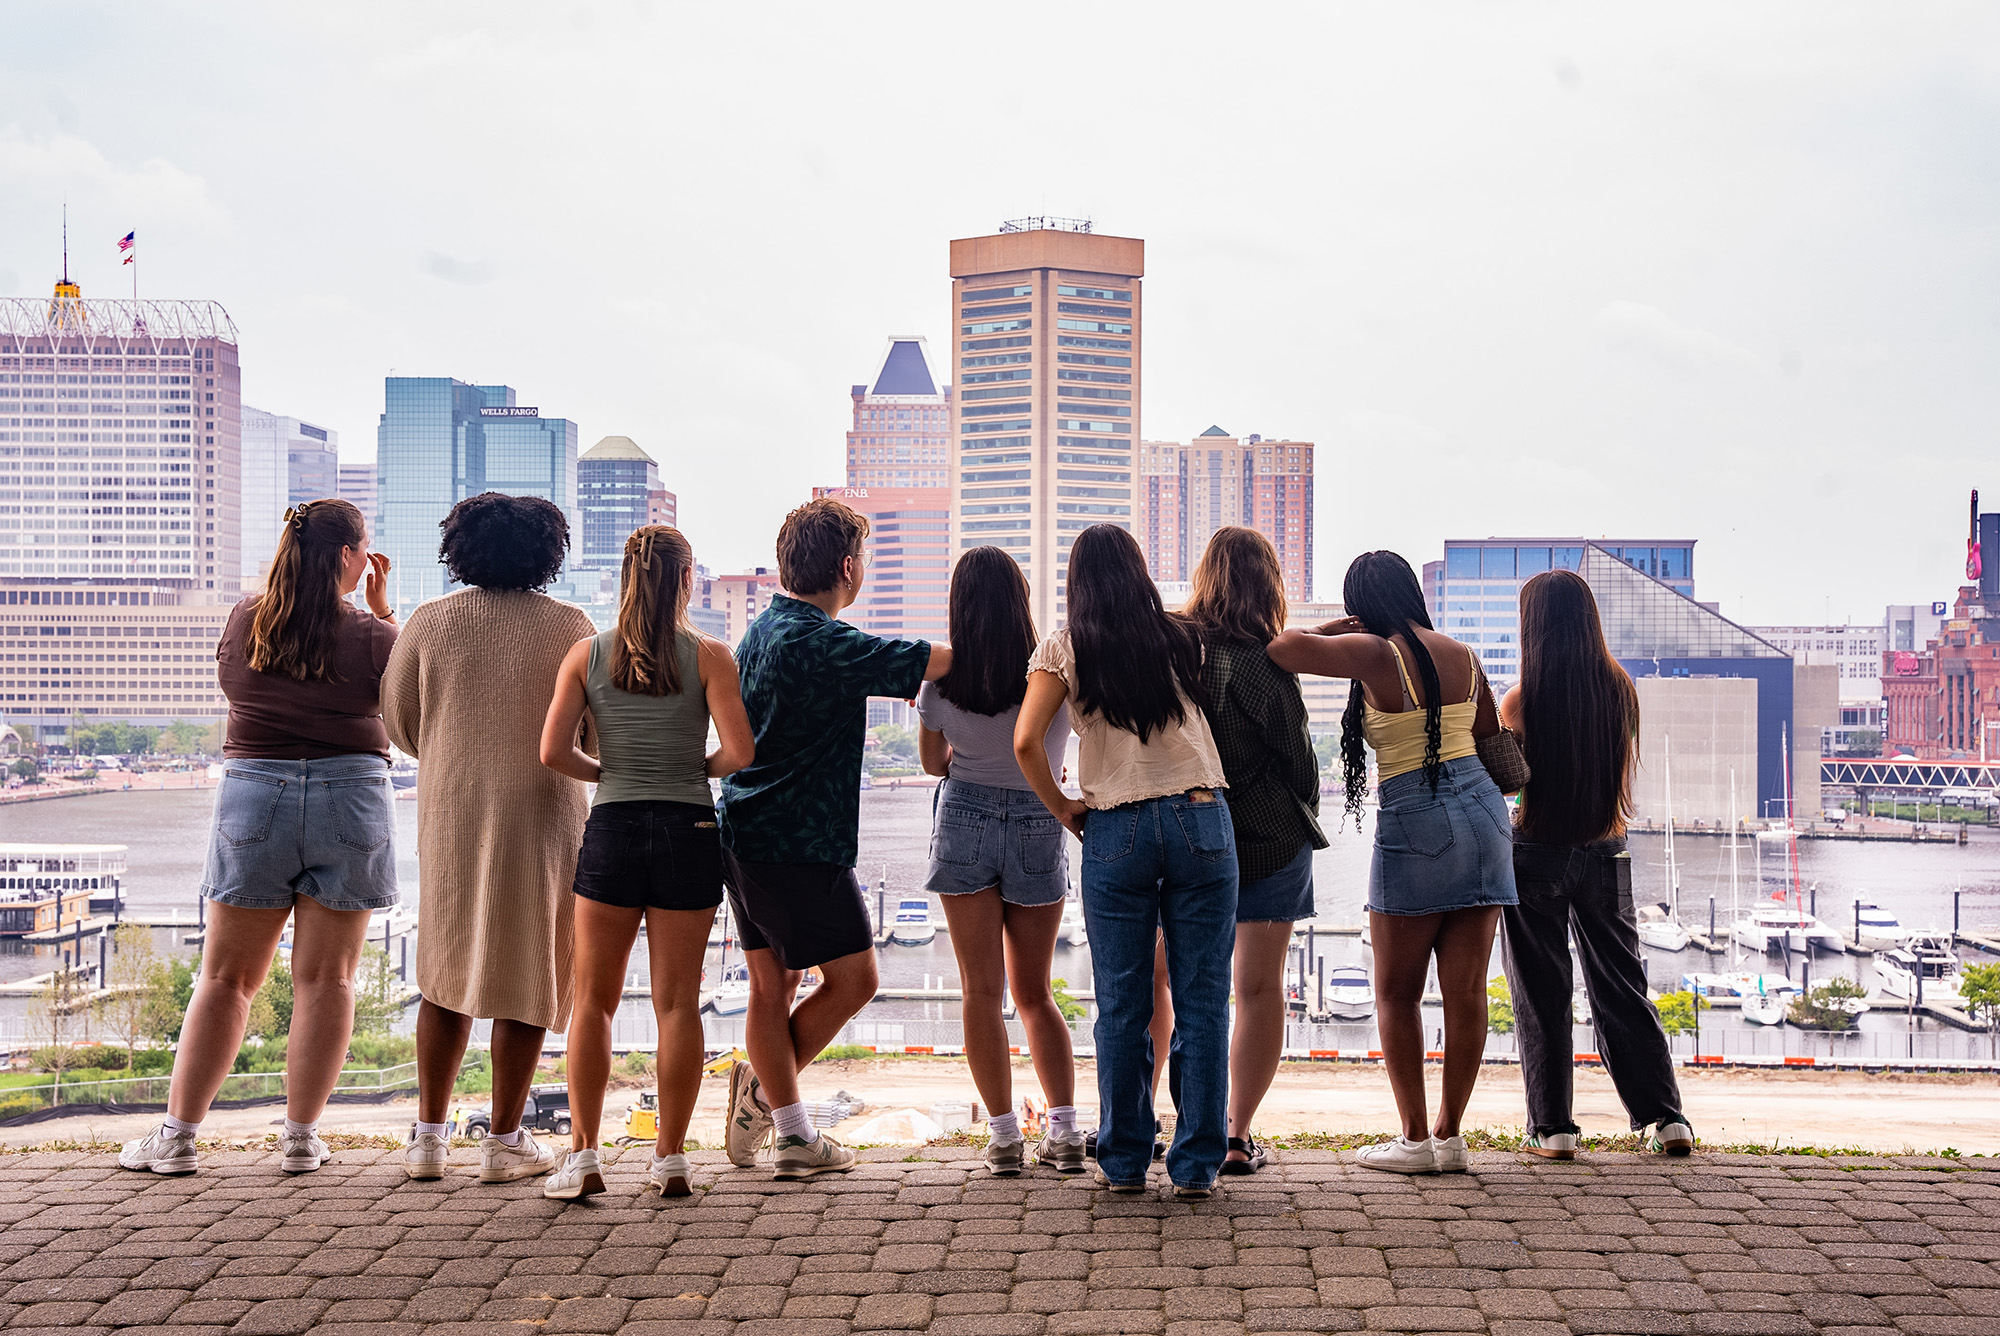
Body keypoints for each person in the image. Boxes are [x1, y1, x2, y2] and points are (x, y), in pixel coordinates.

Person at [120, 499, 398, 1176]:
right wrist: (383, 611)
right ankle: (300, 1140)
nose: (367, 558)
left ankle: (178, 1140)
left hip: (254, 794)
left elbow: (235, 691)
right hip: (351, 796)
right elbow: (405, 698)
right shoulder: (372, 634)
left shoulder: (248, 617)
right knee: (327, 980)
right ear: (345, 557)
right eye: (363, 547)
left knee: (225, 978)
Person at [718, 497, 950, 1180]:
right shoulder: (823, 641)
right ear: (848, 567)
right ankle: (779, 1115)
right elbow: (926, 658)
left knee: (772, 986)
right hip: (799, 841)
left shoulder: (759, 631)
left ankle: (779, 1118)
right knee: (855, 978)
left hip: (741, 828)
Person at [1268, 550, 1516, 1174]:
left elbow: (1281, 648)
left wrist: (1343, 628)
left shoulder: (1377, 653)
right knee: (1465, 993)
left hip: (1417, 813)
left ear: (1365, 605)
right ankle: (1451, 1136)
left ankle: (1413, 1141)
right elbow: (1491, 742)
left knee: (1396, 992)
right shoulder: (1462, 653)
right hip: (1486, 818)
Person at [1013, 523, 1237, 1200]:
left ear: (1077, 580)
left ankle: (1124, 1163)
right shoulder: (1183, 636)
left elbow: (1026, 741)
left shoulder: (1064, 645)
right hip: (1202, 817)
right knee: (1202, 1001)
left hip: (1118, 825)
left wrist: (1064, 809)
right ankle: (1197, 1165)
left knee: (1122, 1004)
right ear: (1140, 573)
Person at [381, 493, 597, 1185]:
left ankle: (428, 1138)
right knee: (531, 968)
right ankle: (505, 1140)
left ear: (458, 548)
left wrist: (451, 753)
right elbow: (595, 731)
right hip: (545, 812)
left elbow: (399, 722)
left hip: (453, 810)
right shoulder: (574, 627)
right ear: (549, 553)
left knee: (445, 969)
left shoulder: (429, 622)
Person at [538, 525, 755, 1199]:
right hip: (688, 826)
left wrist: (609, 769)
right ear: (687, 580)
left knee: (594, 1006)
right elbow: (741, 753)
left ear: (625, 580)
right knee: (677, 1005)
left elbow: (552, 752)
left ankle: (583, 1156)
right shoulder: (711, 656)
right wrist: (697, 767)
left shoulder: (586, 654)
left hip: (614, 824)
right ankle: (669, 1160)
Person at [1500, 569, 1694, 1158]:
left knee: (1543, 993)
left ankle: (1554, 1128)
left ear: (1533, 627)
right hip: (1607, 849)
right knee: (1622, 985)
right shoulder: (1620, 689)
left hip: (1536, 852)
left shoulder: (1521, 700)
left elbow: (1511, 783)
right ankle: (1667, 1119)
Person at [915, 547, 1082, 1176]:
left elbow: (934, 765)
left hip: (964, 821)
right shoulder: (1052, 675)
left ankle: (1005, 1136)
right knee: (1035, 992)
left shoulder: (941, 681)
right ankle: (1065, 1133)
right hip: (1041, 815)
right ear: (1021, 604)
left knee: (980, 993)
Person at [1184, 527, 1326, 1175]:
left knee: (1186, 986)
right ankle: (1238, 1137)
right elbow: (1298, 759)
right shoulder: (1265, 661)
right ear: (1269, 582)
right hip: (1270, 838)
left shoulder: (1177, 649)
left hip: (1188, 833)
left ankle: (1191, 1126)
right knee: (1260, 989)